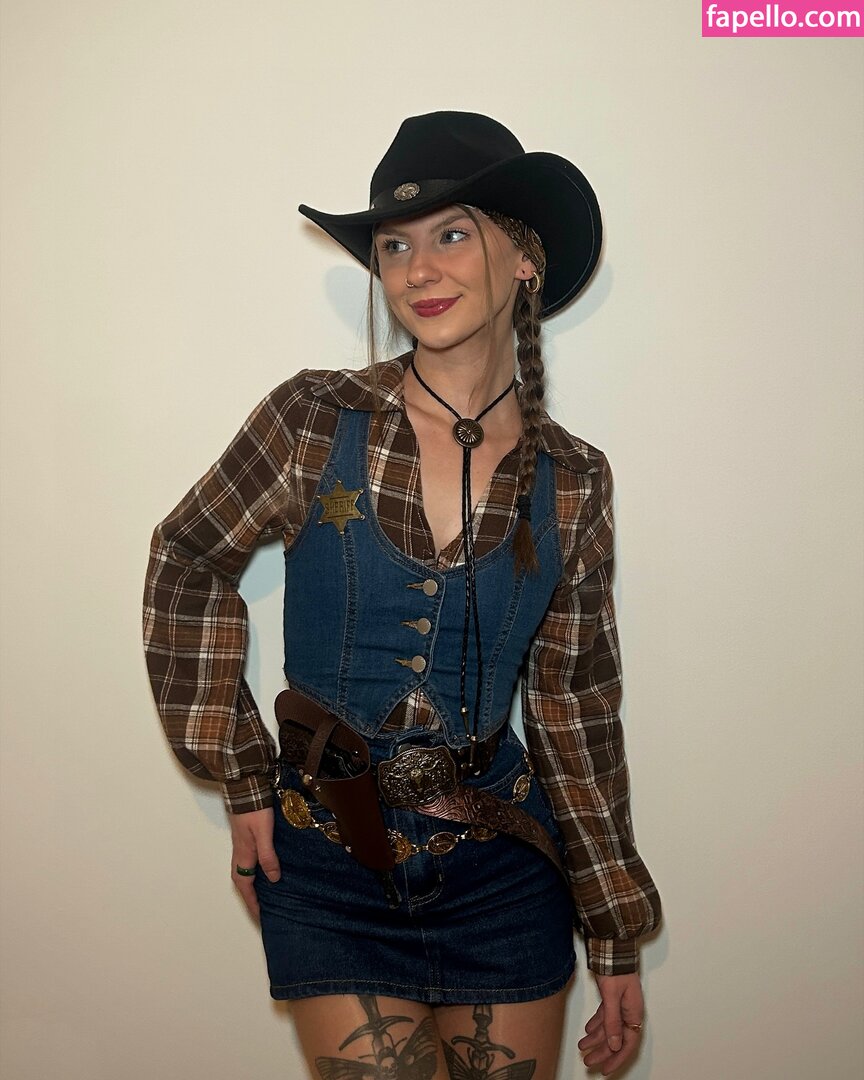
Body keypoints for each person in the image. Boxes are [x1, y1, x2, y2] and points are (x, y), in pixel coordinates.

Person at [143, 110, 661, 1080]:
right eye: (395, 246)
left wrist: (614, 928)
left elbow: (575, 710)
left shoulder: (574, 480)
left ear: (526, 260)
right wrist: (242, 775)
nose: (418, 268)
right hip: (328, 852)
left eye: (451, 234)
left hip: (504, 871)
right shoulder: (313, 418)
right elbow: (187, 558)